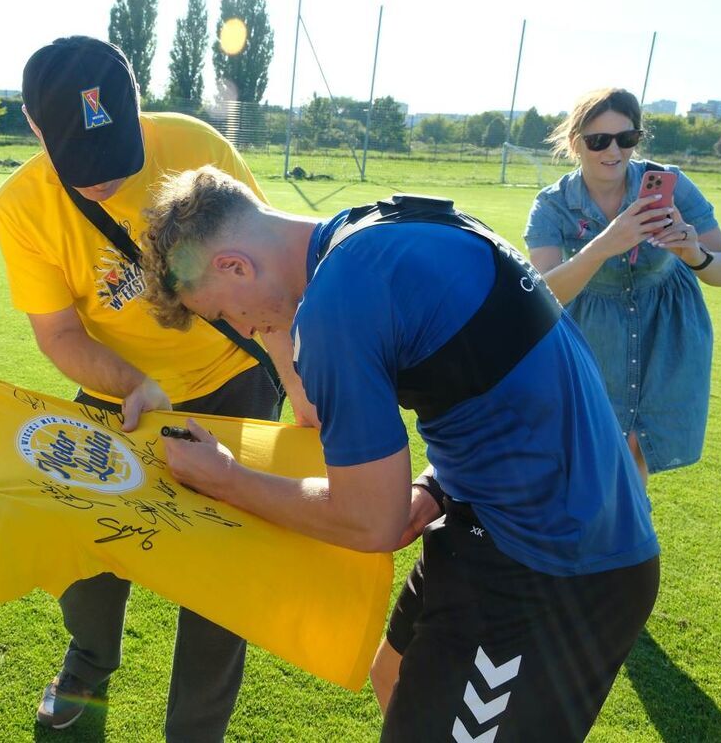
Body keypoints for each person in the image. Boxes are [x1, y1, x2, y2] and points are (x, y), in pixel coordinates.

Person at [143, 166, 661, 742]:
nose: (243, 328)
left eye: (224, 314)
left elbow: (372, 521)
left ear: (234, 265)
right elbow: (504, 371)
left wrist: (226, 478)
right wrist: (436, 483)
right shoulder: (377, 228)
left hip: (554, 567)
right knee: (392, 674)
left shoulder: (336, 302)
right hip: (498, 517)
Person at [0, 36, 313, 739]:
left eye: (116, 158)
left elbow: (267, 281)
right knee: (88, 543)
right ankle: (87, 667)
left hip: (233, 383)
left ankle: (194, 732)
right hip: (118, 396)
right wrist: (134, 383)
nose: (104, 182)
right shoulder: (21, 206)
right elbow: (60, 336)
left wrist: (300, 387)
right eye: (83, 165)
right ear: (35, 127)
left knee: (221, 576)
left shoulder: (197, 145)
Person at [525, 88, 721, 483]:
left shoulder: (669, 183)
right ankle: (622, 537)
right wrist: (606, 244)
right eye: (598, 141)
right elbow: (545, 294)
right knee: (596, 453)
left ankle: (629, 537)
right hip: (593, 336)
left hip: (667, 334)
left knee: (635, 450)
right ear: (575, 143)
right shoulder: (552, 204)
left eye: (627, 139)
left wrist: (693, 253)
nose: (614, 151)